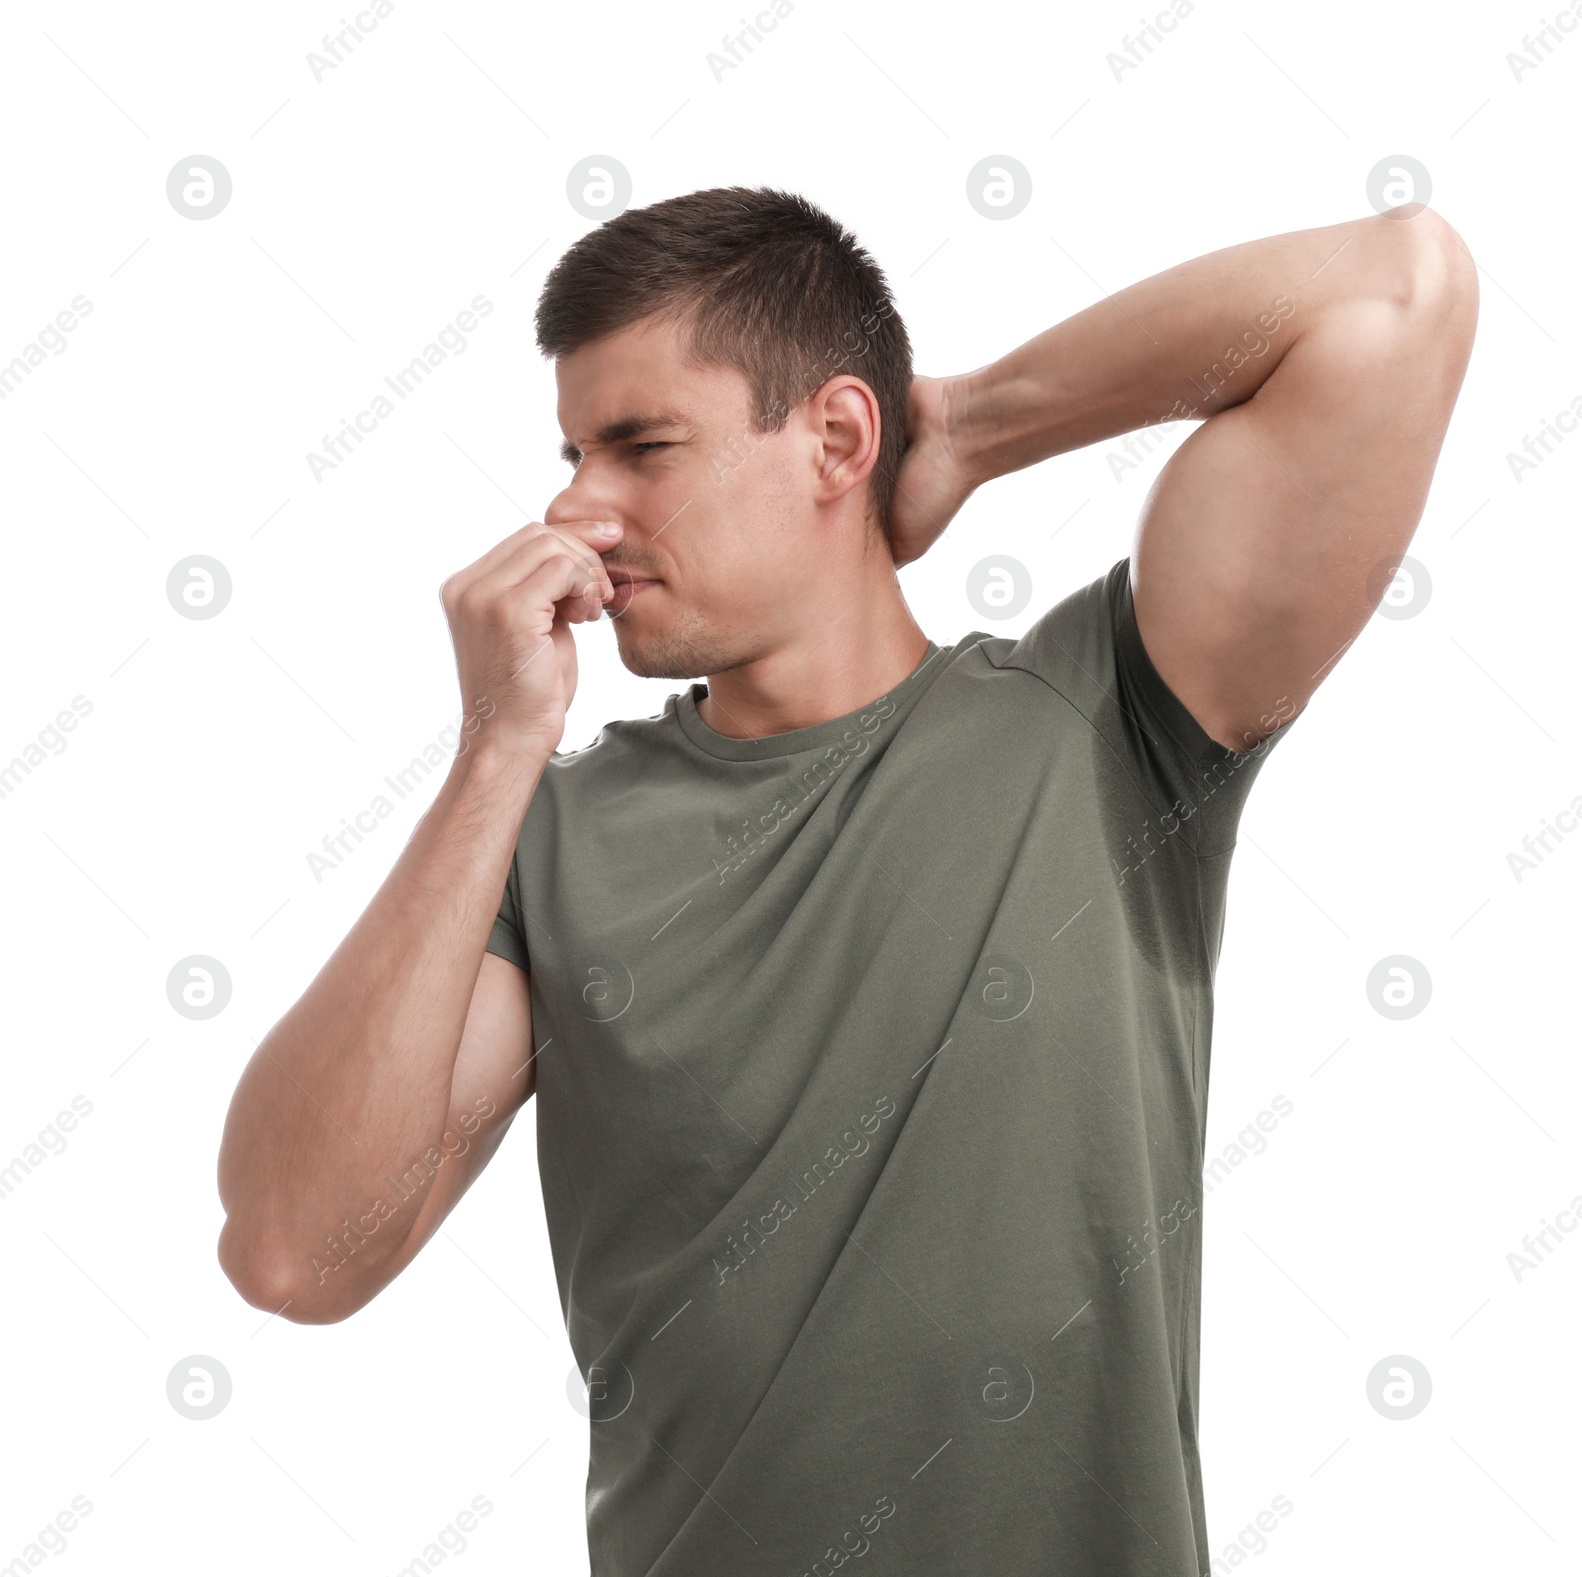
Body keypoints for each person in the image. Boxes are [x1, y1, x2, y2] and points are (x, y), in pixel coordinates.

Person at [216, 185, 1477, 1574]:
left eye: (642, 445)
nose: (579, 504)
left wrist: (984, 423)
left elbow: (1396, 291)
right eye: (574, 450)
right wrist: (495, 748)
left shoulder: (1106, 725)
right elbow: (295, 1247)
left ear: (836, 438)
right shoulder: (548, 837)